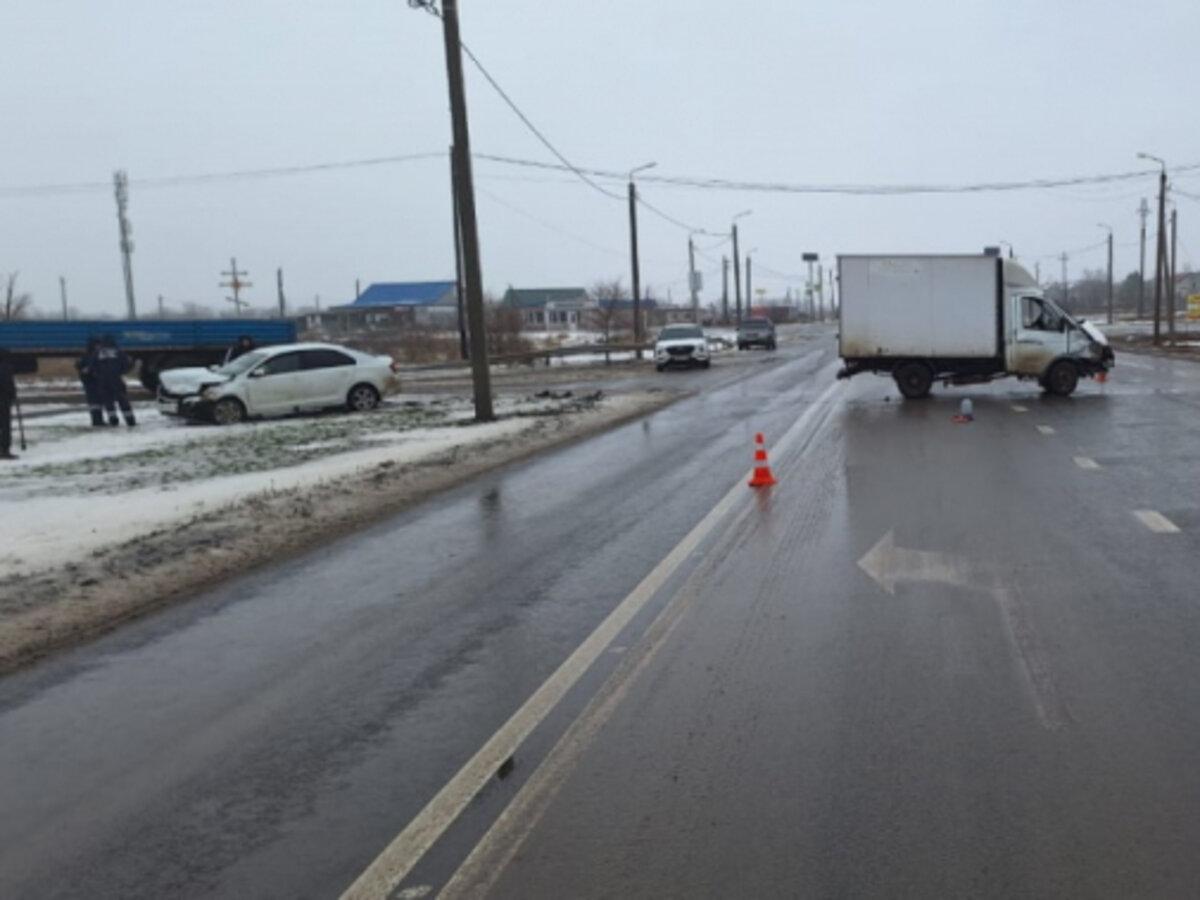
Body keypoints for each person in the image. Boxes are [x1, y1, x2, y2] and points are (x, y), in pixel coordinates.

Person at [92, 335, 136, 427]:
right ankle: (130, 420)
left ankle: (113, 420)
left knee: (108, 402)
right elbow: (127, 365)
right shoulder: (119, 352)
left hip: (103, 381)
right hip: (116, 379)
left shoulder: (98, 353)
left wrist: (99, 375)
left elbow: (93, 367)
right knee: (123, 400)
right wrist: (121, 372)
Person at [76, 337, 104, 426]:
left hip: (94, 381)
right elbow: (80, 366)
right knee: (94, 402)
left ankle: (98, 420)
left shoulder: (91, 355)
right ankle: (97, 421)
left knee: (97, 402)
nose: (99, 347)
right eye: (98, 345)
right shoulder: (89, 356)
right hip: (91, 382)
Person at [0, 347, 17, 460]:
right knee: (5, 425)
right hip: (4, 399)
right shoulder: (6, 368)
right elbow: (7, 384)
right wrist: (13, 394)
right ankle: (4, 449)